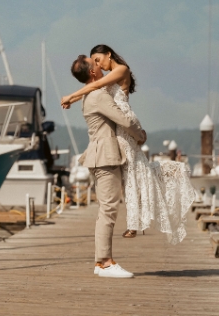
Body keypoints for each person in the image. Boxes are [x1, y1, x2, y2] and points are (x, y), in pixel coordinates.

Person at [63, 45, 195, 245]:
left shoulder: (121, 70)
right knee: (135, 171)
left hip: (124, 121)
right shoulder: (105, 80)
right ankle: (136, 220)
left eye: (98, 59)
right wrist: (74, 97)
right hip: (119, 124)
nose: (98, 64)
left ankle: (135, 222)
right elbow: (92, 87)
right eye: (94, 62)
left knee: (134, 170)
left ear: (108, 54)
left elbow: (92, 87)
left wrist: (71, 97)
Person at [71, 54, 146, 278]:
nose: (102, 64)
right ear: (93, 72)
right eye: (96, 62)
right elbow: (124, 119)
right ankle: (104, 262)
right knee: (109, 209)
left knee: (108, 208)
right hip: (104, 157)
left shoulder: (93, 93)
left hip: (103, 155)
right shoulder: (97, 95)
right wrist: (140, 135)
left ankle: (103, 261)